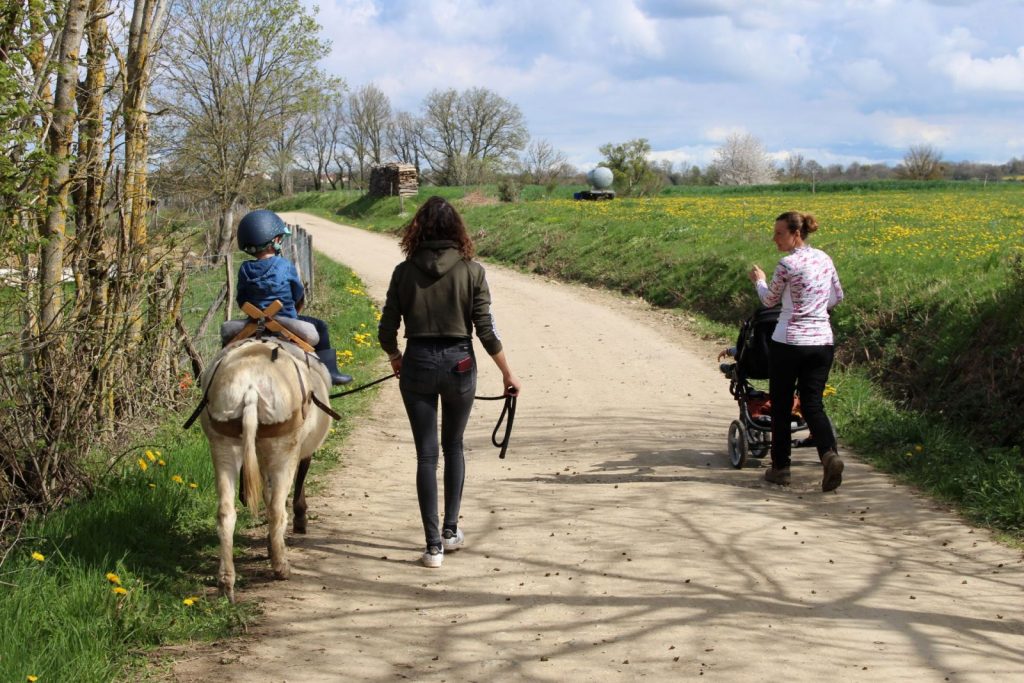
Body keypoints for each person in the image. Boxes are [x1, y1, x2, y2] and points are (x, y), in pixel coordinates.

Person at [378, 196, 522, 568]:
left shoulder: (403, 272)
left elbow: (386, 329)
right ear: (457, 229)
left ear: (418, 229)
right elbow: (486, 331)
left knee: (426, 455)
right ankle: (450, 530)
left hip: (418, 362)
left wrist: (396, 357)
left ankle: (431, 548)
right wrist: (508, 373)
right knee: (453, 446)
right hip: (459, 362)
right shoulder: (473, 271)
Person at [748, 211, 844, 491]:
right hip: (822, 342)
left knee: (780, 403)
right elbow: (837, 296)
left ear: (796, 234)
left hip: (788, 342)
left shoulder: (787, 264)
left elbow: (769, 300)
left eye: (779, 233)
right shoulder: (824, 258)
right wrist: (815, 309)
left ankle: (781, 468)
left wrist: (759, 280)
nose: (774, 238)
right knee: (812, 403)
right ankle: (829, 455)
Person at [235, 209, 350, 385]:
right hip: (284, 321)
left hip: (254, 324)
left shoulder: (244, 269)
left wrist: (257, 312)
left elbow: (241, 300)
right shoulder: (285, 265)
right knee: (321, 326)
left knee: (227, 337)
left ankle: (221, 366)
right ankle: (331, 373)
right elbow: (298, 294)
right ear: (275, 241)